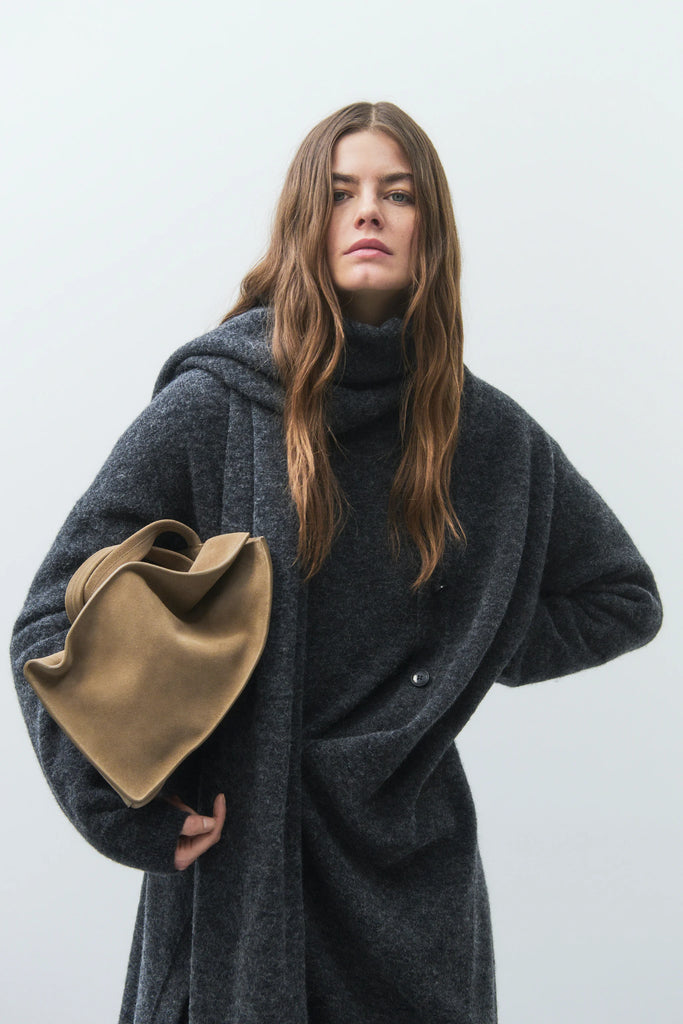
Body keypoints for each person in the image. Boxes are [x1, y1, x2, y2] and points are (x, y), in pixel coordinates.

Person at [9, 101, 663, 1024]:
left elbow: (621, 598)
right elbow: (45, 625)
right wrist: (126, 811)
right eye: (341, 192)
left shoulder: (491, 438)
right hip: (242, 866)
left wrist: (458, 651)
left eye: (396, 194)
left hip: (413, 889)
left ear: (426, 229)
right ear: (303, 224)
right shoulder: (216, 405)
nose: (367, 212)